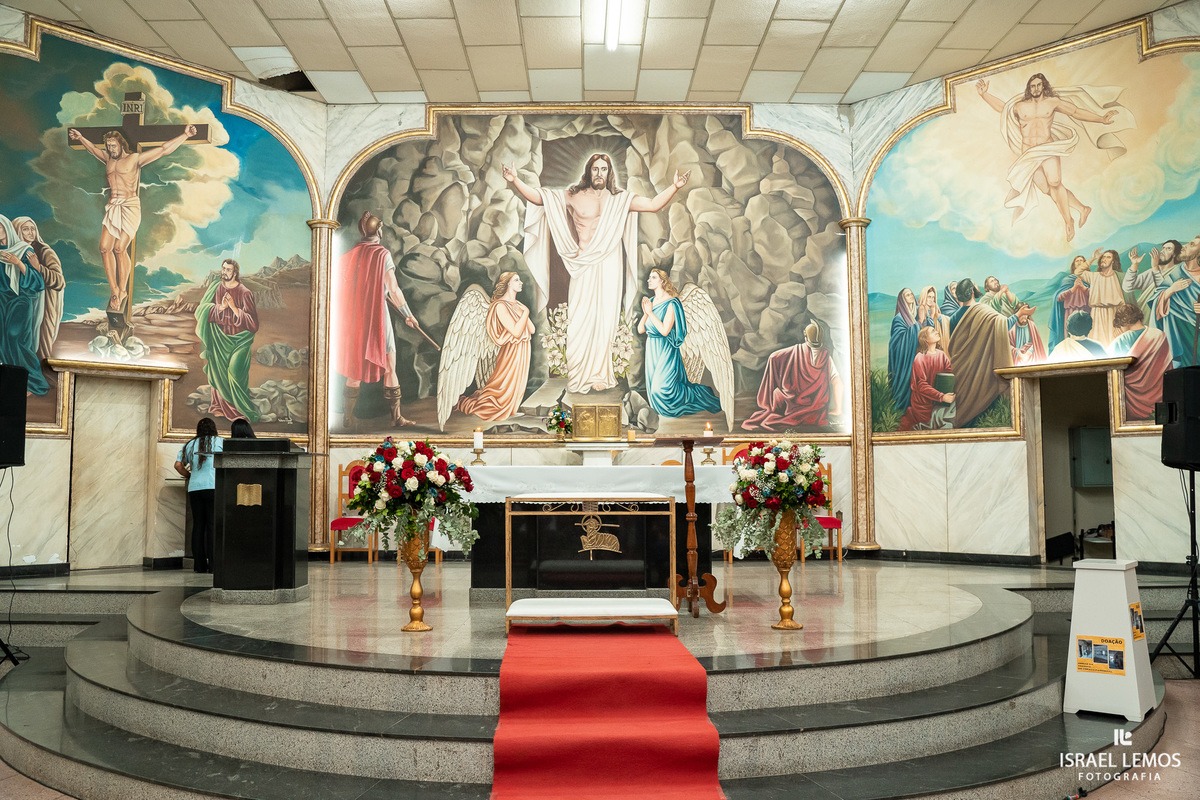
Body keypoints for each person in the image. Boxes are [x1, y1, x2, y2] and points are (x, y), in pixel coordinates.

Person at [504, 154, 690, 392]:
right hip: (582, 263)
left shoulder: (620, 200)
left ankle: (601, 374)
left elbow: (653, 205)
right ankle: (579, 374)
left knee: (605, 318)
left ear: (609, 172)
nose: (599, 173)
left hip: (610, 263)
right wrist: (515, 180)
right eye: (595, 169)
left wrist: (675, 187)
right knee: (580, 316)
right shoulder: (574, 196)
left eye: (604, 169)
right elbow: (541, 199)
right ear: (588, 172)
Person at [976, 73, 1128, 241]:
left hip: (1047, 147)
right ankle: (1082, 208)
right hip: (1028, 153)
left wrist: (1100, 119)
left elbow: (1076, 112)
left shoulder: (1052, 103)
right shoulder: (1020, 106)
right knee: (1046, 189)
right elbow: (1003, 108)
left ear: (1044, 86)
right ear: (1029, 88)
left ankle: (1068, 221)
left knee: (1055, 182)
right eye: (1032, 86)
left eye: (1039, 85)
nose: (1035, 88)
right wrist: (984, 95)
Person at [68, 124, 197, 312]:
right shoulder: (108, 160)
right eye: (108, 146)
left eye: (113, 145)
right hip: (113, 205)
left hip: (129, 206)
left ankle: (123, 290)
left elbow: (163, 150)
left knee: (120, 248)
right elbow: (93, 150)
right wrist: (80, 138)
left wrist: (185, 135)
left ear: (121, 144)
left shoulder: (135, 159)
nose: (110, 149)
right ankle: (115, 290)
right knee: (105, 248)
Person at [333, 211, 421, 428]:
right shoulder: (382, 254)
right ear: (378, 231)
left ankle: (348, 417)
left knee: (355, 368)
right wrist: (408, 315)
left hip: (354, 320)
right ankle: (396, 418)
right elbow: (394, 289)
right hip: (376, 318)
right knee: (390, 365)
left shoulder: (349, 256)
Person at [638, 268, 721, 418]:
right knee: (655, 394)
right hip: (652, 350)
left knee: (661, 390)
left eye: (653, 277)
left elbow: (664, 330)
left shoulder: (672, 303)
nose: (648, 280)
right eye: (649, 277)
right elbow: (640, 329)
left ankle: (698, 396)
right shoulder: (650, 302)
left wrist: (650, 313)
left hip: (666, 350)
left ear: (663, 281)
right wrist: (645, 313)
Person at [456, 272, 535, 421]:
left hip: (523, 350)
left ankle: (511, 409)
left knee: (517, 384)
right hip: (511, 352)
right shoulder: (500, 306)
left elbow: (532, 330)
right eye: (517, 280)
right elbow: (516, 332)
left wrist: (523, 311)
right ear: (508, 284)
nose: (521, 283)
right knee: (502, 388)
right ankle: (477, 405)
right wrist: (526, 313)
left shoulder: (519, 305)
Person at [743, 321, 843, 430]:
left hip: (791, 405)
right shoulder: (826, 357)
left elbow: (774, 356)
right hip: (816, 411)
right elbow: (837, 382)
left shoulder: (796, 351)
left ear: (806, 337)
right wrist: (838, 409)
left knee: (778, 395)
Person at [195, 258, 259, 422]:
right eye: (223, 269)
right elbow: (202, 309)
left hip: (240, 340)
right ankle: (219, 406)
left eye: (228, 270)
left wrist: (233, 307)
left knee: (234, 373)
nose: (224, 272)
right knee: (218, 371)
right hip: (219, 338)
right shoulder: (216, 288)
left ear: (235, 272)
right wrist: (221, 307)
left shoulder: (245, 293)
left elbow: (253, 323)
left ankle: (240, 409)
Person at [945, 279, 1013, 427]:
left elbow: (955, 346)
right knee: (984, 407)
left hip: (961, 371)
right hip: (982, 369)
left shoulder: (953, 318)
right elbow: (1003, 325)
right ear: (971, 291)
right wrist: (1018, 315)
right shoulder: (983, 311)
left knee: (965, 407)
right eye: (974, 286)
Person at [0, 215, 48, 396]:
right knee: (2, 342)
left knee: (15, 337)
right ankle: (12, 382)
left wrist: (18, 262)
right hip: (2, 301)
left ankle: (34, 382)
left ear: (7, 228)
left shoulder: (23, 250)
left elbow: (37, 282)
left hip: (21, 300)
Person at [174, 417, 223, 574]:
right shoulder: (221, 442)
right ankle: (214, 565)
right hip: (213, 486)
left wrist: (190, 475)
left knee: (198, 525)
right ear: (214, 428)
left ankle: (199, 566)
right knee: (212, 525)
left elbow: (177, 465)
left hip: (195, 489)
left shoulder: (189, 444)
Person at [12, 217, 64, 359]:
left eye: (33, 228)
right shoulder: (12, 251)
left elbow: (59, 281)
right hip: (17, 308)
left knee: (39, 351)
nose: (30, 232)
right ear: (16, 231)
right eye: (26, 229)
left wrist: (39, 268)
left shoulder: (45, 252)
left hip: (42, 309)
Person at [1110, 303, 1170, 421]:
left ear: (1124, 322)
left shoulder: (1119, 341)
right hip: (1158, 397)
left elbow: (1112, 372)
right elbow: (1167, 367)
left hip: (1132, 403)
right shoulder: (1160, 335)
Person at [1151, 234, 1200, 367]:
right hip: (1179, 337)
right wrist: (1170, 290)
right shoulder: (1175, 274)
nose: (1183, 246)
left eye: (1192, 245)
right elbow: (1156, 300)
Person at [898, 327, 955, 431]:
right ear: (925, 339)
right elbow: (921, 385)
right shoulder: (919, 358)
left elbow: (949, 376)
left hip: (941, 399)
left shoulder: (942, 355)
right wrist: (942, 397)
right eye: (933, 331)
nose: (937, 332)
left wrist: (949, 395)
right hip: (924, 404)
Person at [1075, 249, 1127, 348]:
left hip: (1114, 314)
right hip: (1097, 314)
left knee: (1114, 343)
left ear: (1113, 261)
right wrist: (1092, 258)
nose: (1104, 259)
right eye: (1103, 257)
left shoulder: (1118, 277)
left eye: (1108, 257)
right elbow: (1078, 271)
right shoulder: (1094, 276)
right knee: (1097, 342)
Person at [1124, 240, 1181, 327]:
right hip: (1141, 319)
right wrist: (1134, 265)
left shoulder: (1177, 273)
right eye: (1163, 248)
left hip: (1162, 322)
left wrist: (1155, 268)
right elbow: (1127, 287)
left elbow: (1163, 292)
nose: (1162, 251)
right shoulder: (1151, 272)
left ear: (1174, 254)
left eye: (1168, 249)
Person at [1049, 254, 1093, 348]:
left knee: (1086, 335)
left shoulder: (1090, 279)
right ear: (1073, 265)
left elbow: (1096, 295)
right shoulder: (1067, 280)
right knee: (1070, 335)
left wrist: (1083, 288)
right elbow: (1059, 297)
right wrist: (1073, 289)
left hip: (1086, 310)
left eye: (1082, 260)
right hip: (1070, 311)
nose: (1080, 262)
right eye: (1077, 261)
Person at [887, 288, 920, 412]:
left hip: (915, 356)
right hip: (904, 361)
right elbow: (896, 343)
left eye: (911, 293)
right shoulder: (899, 319)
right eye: (907, 295)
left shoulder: (914, 314)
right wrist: (917, 325)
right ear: (902, 300)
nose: (911, 296)